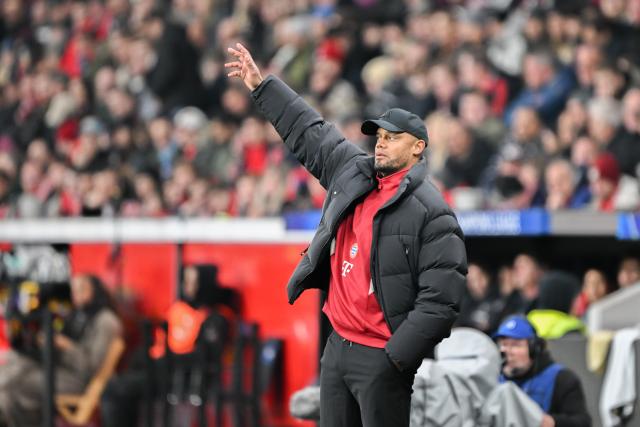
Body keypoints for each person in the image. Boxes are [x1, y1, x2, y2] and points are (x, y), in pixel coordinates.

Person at [225, 43, 467, 427]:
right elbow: (309, 130)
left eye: (394, 137)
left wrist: (396, 357)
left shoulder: (432, 212)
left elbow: (442, 301)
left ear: (418, 148)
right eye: (379, 135)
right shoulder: (353, 170)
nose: (381, 142)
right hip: (338, 345)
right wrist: (261, 85)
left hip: (382, 356)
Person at [0, 274, 122, 427]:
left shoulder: (106, 321)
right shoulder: (78, 314)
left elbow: (92, 367)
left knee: (16, 382)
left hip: (79, 381)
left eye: (81, 289)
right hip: (59, 369)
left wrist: (66, 346)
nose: (76, 295)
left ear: (96, 290)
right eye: (74, 290)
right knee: (13, 368)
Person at [495, 315, 591, 427]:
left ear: (534, 348)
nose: (507, 352)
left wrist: (553, 422)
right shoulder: (494, 379)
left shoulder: (562, 379)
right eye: (503, 345)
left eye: (515, 345)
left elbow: (582, 422)